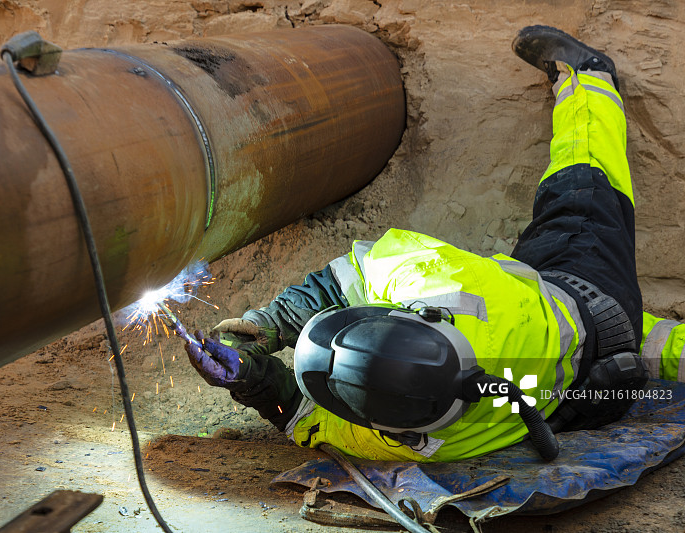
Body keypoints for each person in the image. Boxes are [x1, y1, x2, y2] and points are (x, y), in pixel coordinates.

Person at [183, 26, 685, 462]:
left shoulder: (413, 442)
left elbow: (301, 417)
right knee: (582, 189)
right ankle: (590, 78)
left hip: (579, 399)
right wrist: (276, 327)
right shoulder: (439, 282)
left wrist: (255, 376)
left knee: (639, 324)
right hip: (588, 299)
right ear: (414, 315)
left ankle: (590, 75)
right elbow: (343, 281)